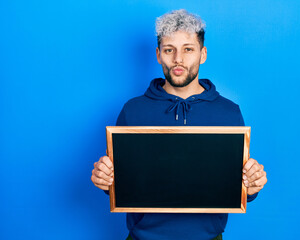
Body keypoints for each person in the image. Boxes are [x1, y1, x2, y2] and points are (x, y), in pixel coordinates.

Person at [91, 9, 267, 240]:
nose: (178, 60)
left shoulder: (228, 112)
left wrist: (252, 186)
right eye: (169, 50)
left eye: (188, 49)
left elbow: (238, 184)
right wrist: (104, 179)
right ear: (158, 54)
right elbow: (118, 182)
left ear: (202, 54)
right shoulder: (133, 111)